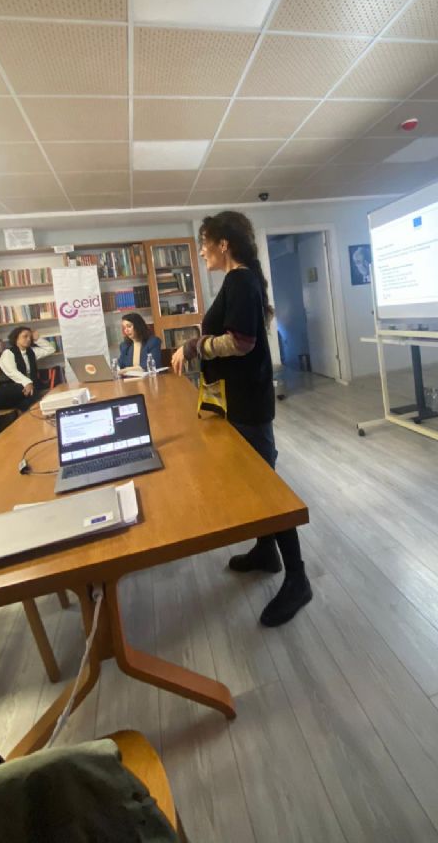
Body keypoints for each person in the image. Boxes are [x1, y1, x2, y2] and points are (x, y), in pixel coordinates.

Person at [171, 210, 312, 627]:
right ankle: (266, 551)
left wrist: (194, 347)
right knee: (254, 482)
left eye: (204, 244)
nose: (202, 252)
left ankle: (298, 579)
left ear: (223, 244)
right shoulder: (240, 281)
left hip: (249, 402)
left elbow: (241, 342)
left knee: (267, 487)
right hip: (241, 399)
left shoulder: (240, 281)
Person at [0, 326, 55, 412]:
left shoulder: (31, 352)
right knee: (31, 393)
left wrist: (37, 339)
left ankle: (26, 411)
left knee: (29, 399)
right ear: (16, 338)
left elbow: (51, 349)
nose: (28, 339)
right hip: (8, 388)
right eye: (25, 336)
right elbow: (12, 371)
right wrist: (27, 383)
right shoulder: (8, 353)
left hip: (25, 390)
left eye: (30, 337)